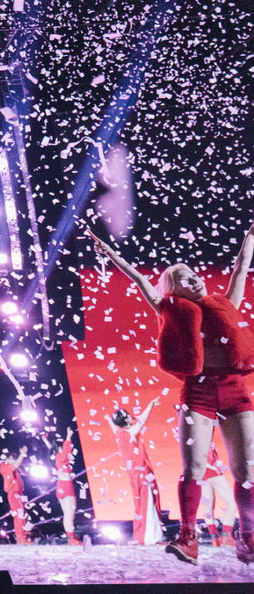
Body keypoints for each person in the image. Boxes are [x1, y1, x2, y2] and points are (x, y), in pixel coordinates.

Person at [91, 223, 254, 564]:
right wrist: (112, 255)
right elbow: (140, 280)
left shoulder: (226, 302)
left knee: (247, 472)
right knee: (193, 469)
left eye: (194, 274)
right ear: (173, 289)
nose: (194, 279)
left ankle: (249, 537)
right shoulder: (168, 308)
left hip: (235, 391)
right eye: (183, 278)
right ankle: (188, 537)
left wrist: (250, 235)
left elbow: (240, 267)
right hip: (198, 393)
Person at [106, 400, 162, 547]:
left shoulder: (118, 433)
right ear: (126, 419)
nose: (133, 417)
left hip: (134, 475)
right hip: (142, 474)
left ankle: (144, 536)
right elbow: (142, 420)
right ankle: (149, 538)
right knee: (147, 503)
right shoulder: (130, 432)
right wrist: (150, 405)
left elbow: (113, 425)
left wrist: (109, 419)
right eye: (130, 416)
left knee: (140, 504)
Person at [203, 444, 236, 548]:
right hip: (213, 474)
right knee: (232, 502)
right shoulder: (202, 435)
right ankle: (226, 536)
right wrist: (216, 467)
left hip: (201, 475)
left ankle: (215, 539)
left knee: (208, 507)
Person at [0, 446, 32, 544]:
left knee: (22, 515)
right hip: (13, 493)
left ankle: (21, 537)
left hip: (19, 493)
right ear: (7, 459)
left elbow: (18, 465)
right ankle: (22, 537)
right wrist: (22, 453)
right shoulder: (4, 466)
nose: (14, 461)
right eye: (12, 458)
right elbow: (15, 465)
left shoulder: (13, 469)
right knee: (20, 515)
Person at [53, 427, 80, 545]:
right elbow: (67, 448)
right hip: (66, 486)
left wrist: (45, 441)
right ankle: (71, 539)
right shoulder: (61, 455)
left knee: (66, 514)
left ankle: (71, 538)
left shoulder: (56, 458)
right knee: (70, 514)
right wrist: (69, 435)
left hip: (59, 487)